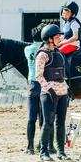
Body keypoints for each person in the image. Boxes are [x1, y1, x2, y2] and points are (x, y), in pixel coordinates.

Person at [36, 24, 70, 161]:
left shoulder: (59, 53)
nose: (60, 38)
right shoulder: (42, 55)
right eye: (57, 36)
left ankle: (61, 151)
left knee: (61, 122)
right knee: (48, 122)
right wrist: (50, 90)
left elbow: (62, 74)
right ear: (49, 39)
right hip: (49, 94)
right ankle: (44, 152)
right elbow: (39, 75)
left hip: (62, 93)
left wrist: (67, 89)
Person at [23, 23, 51, 155]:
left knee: (31, 118)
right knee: (44, 118)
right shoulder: (46, 50)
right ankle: (43, 145)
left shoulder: (27, 49)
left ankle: (30, 147)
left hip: (32, 85)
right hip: (44, 85)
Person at [58, 1, 81, 99]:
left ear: (72, 13)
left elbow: (75, 37)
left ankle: (66, 81)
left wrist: (63, 43)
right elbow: (64, 36)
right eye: (64, 9)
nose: (64, 11)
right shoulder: (65, 23)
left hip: (74, 45)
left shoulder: (74, 23)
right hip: (67, 44)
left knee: (58, 54)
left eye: (67, 10)